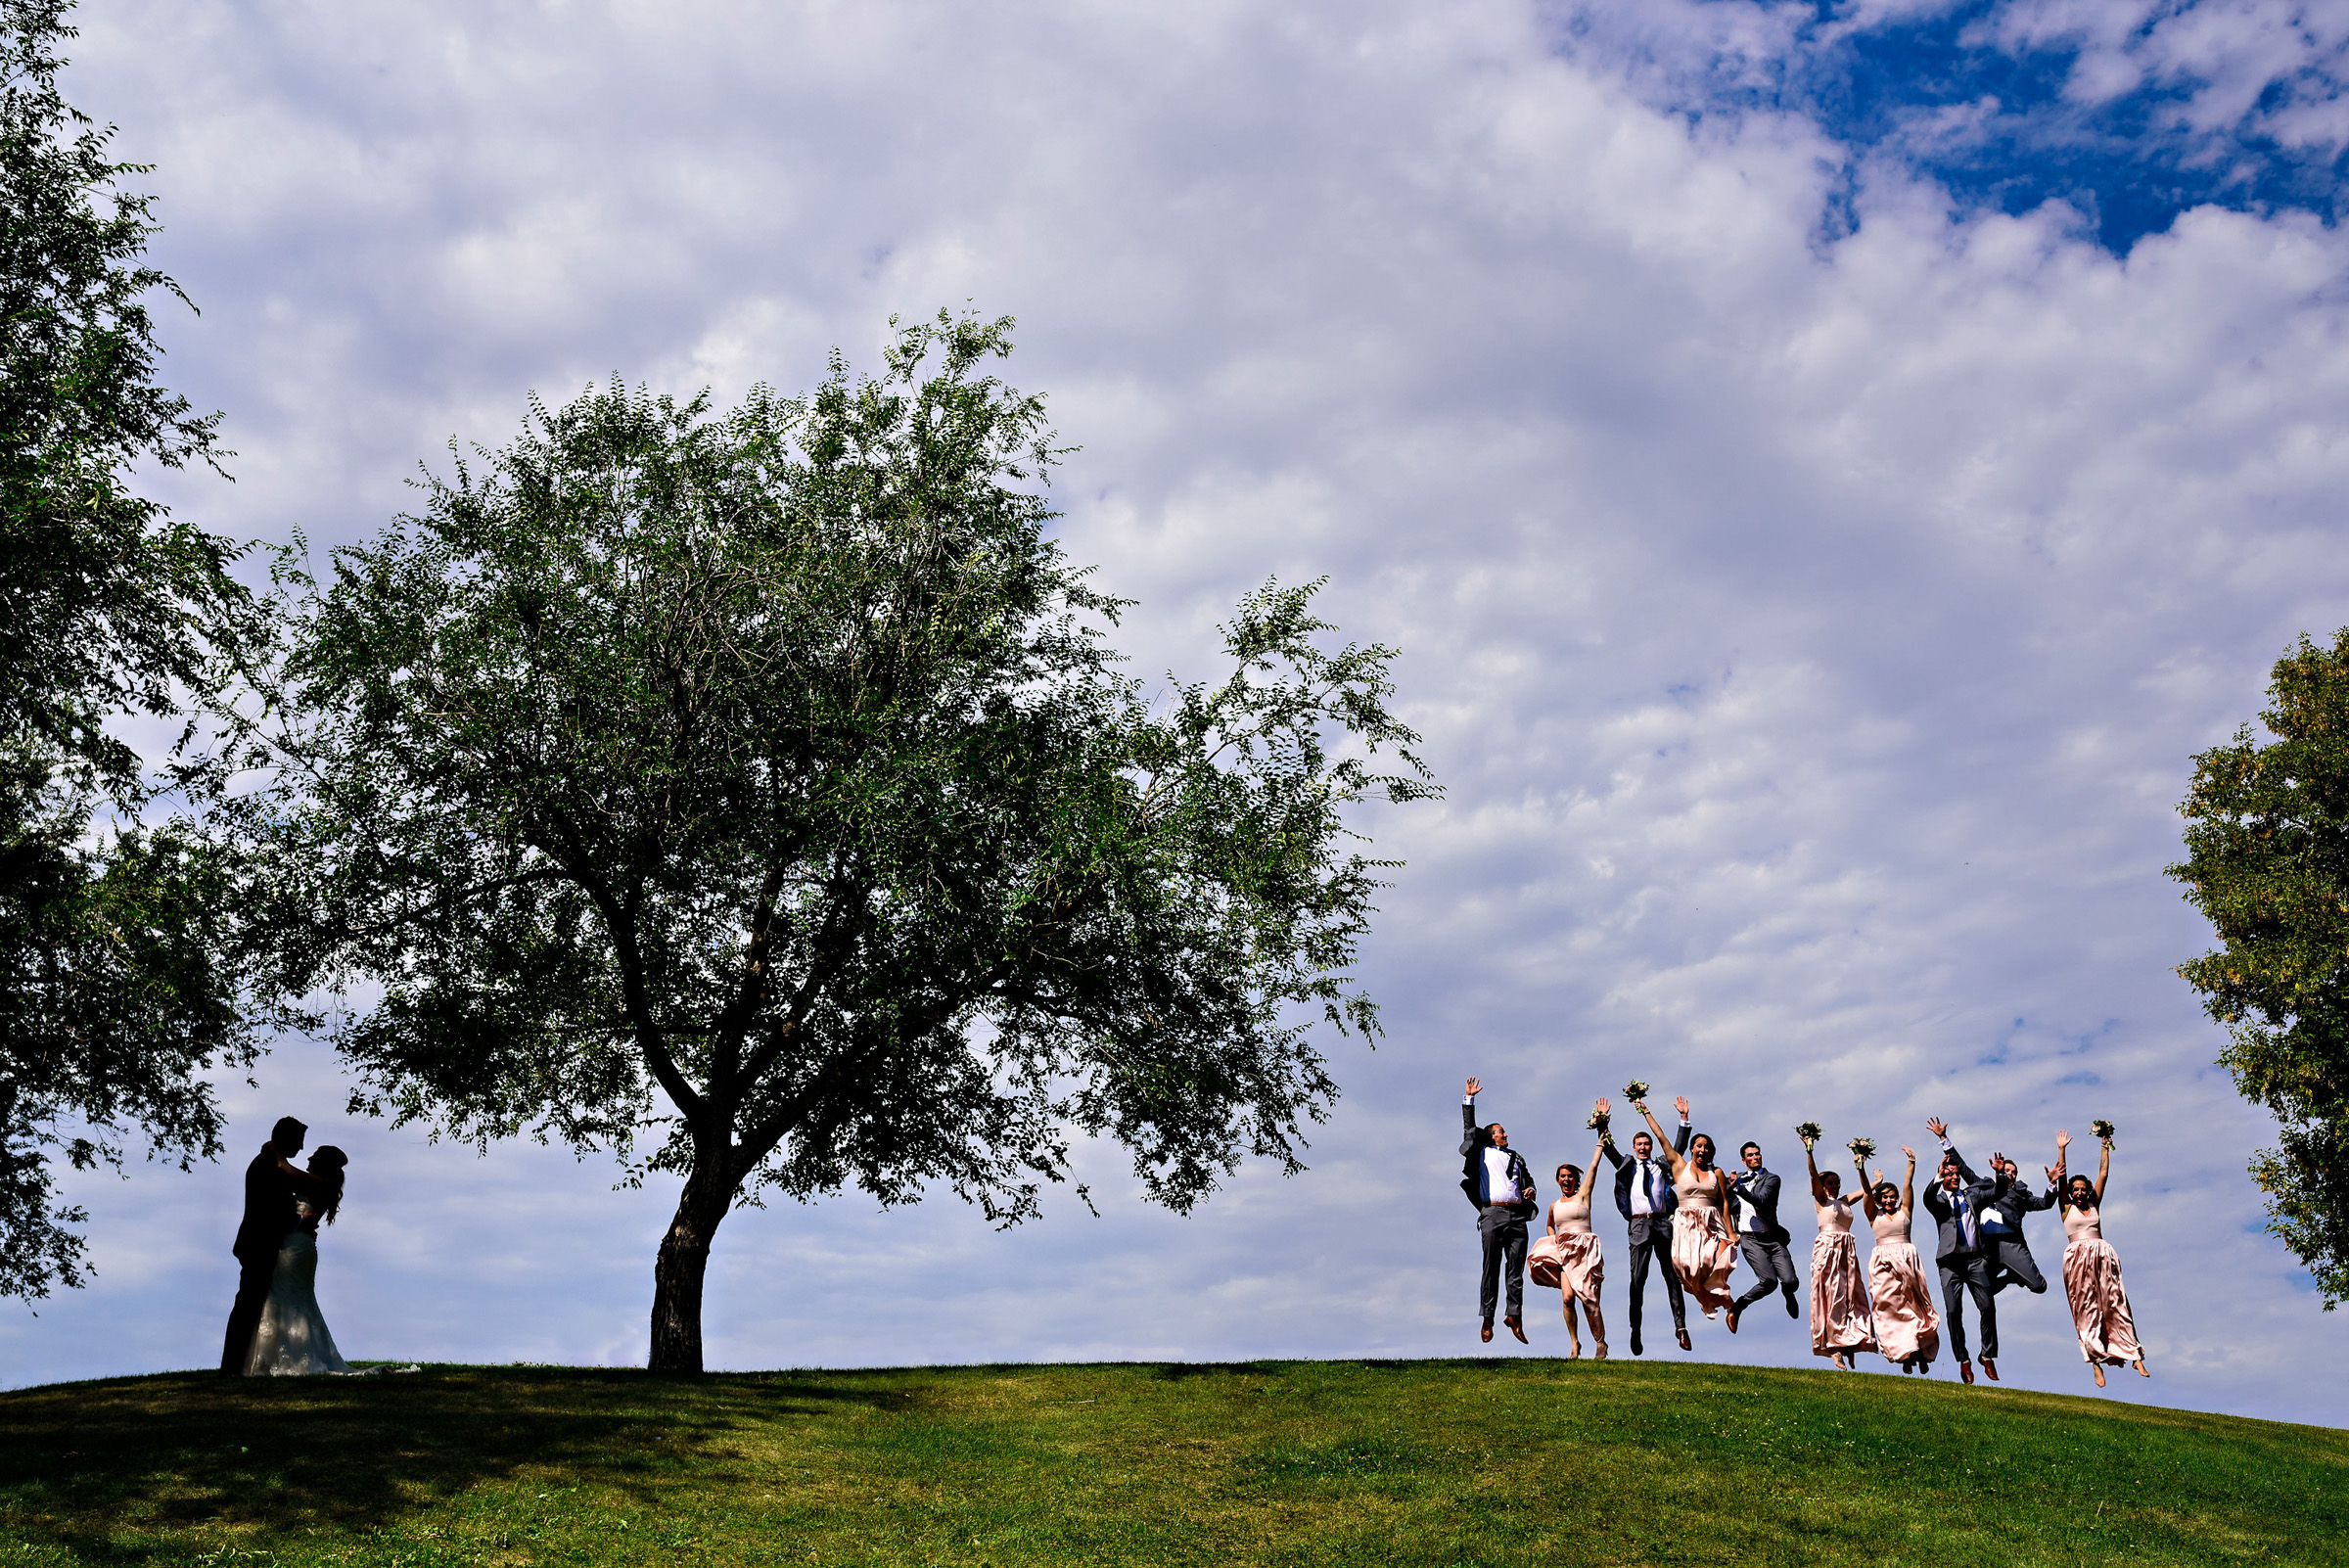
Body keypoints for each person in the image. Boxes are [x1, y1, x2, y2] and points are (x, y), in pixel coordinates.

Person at [221, 1117, 328, 1376]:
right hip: (259, 1245)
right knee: (248, 1306)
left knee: (250, 1305)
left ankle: (236, 1366)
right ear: (286, 1139)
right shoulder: (268, 1166)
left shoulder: (272, 1164)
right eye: (299, 1141)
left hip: (262, 1244)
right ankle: (233, 1367)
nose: (301, 1147)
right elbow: (273, 1210)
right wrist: (300, 1222)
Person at [244, 1147, 355, 1376]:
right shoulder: (317, 1183)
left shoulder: (318, 1182)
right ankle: (282, 1354)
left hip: (296, 1248)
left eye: (315, 1155)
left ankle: (292, 1355)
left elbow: (285, 1169)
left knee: (289, 1298)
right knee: (291, 1299)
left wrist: (275, 1152)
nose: (309, 1157)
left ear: (323, 1162)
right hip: (297, 1246)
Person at [2052, 1129, 2149, 1388]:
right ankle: (2095, 1363)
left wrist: (2105, 1145)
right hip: (2077, 1261)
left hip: (2102, 1257)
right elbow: (2062, 1179)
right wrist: (2061, 1150)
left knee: (2116, 1304)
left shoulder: (2094, 1205)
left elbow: (2103, 1173)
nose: (2079, 1193)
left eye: (2083, 1189)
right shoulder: (2066, 1207)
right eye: (2076, 1190)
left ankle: (2134, 1355)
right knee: (2086, 1310)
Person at [1596, 1093, 1692, 1355]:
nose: (1643, 1147)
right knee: (1637, 1279)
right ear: (1634, 1146)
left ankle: (1681, 1328)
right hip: (1639, 1225)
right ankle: (1635, 1330)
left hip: (1662, 1223)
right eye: (1639, 1144)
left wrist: (1683, 1118)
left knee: (1672, 1276)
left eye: (1646, 1144)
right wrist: (1602, 1121)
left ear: (1650, 1147)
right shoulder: (1628, 1166)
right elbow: (1609, 1148)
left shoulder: (1661, 1165)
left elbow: (1677, 1149)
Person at [1635, 1095, 1739, 1325]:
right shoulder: (1679, 1165)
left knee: (1719, 1260)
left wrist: (1731, 1232)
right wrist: (1646, 1112)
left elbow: (1723, 1203)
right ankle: (1727, 1304)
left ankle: (1727, 1302)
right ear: (1692, 1149)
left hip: (1712, 1223)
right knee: (1688, 1269)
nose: (1703, 1150)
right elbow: (1661, 1137)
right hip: (1686, 1224)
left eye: (1707, 1147)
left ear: (1711, 1152)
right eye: (1699, 1146)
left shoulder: (1717, 1173)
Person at [1918, 1117, 2004, 1385]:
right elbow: (1926, 1197)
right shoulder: (1938, 1201)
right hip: (1949, 1264)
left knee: (1987, 1307)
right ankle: (1963, 1359)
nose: (1955, 1177)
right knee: (1954, 1312)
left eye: (1957, 1175)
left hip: (1975, 1261)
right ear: (1943, 1178)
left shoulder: (1971, 1196)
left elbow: (1997, 1192)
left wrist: (2000, 1174)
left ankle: (1987, 1355)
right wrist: (1937, 1174)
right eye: (1950, 1175)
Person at [1460, 1077, 1538, 1344]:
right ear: (1492, 1135)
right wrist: (1469, 1100)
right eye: (1501, 1132)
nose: (1506, 1135)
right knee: (1491, 1267)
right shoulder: (1482, 1153)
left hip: (1517, 1216)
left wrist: (1531, 1190)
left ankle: (1514, 1316)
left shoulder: (1516, 1157)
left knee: (1516, 1270)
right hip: (1492, 1214)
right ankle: (1488, 1318)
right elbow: (1469, 1130)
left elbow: (1528, 1180)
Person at [1856, 1143, 1940, 1373]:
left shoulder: (1905, 1212)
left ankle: (1920, 1350)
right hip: (1883, 1265)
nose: (1889, 1200)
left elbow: (1907, 1185)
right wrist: (1861, 1168)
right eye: (1885, 1197)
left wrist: (1911, 1162)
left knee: (1915, 1306)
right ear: (1880, 1199)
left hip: (1907, 1260)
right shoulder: (1874, 1215)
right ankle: (1904, 1354)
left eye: (1892, 1197)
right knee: (1889, 1308)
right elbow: (1866, 1192)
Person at [1527, 1129, 1609, 1359]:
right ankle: (1574, 1343)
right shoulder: (1554, 1205)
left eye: (1570, 1176)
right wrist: (1554, 1239)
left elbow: (1593, 1167)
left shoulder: (1583, 1196)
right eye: (1562, 1176)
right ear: (1558, 1180)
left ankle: (1600, 1342)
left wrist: (1601, 1144)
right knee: (1567, 1298)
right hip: (1565, 1254)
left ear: (1575, 1179)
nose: (1566, 1179)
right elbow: (1550, 1225)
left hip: (1585, 1252)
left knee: (1589, 1299)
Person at [1802, 1134, 1875, 1369]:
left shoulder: (1844, 1201)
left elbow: (1866, 1191)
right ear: (1823, 1186)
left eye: (1836, 1183)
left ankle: (1849, 1341)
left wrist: (1867, 1173)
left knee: (1851, 1296)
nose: (1834, 1186)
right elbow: (1812, 1174)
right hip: (1828, 1250)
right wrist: (1809, 1150)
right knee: (1831, 1296)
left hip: (1846, 1252)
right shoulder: (1821, 1200)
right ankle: (1834, 1347)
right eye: (1830, 1183)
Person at [1726, 1138, 1799, 1333]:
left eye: (1757, 1154)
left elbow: (1762, 1200)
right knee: (1769, 1282)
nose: (1755, 1157)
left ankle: (1788, 1293)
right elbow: (1720, 1198)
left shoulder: (1772, 1179)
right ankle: (1738, 1307)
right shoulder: (1734, 1181)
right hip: (1750, 1239)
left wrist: (1738, 1188)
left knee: (1790, 1281)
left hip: (1772, 1237)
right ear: (1744, 1161)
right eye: (1750, 1155)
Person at [1981, 1149, 2056, 1299]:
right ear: (1998, 1172)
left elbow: (2044, 1203)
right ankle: (2011, 1277)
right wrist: (1945, 1142)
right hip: (1991, 1248)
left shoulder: (2021, 1195)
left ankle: (2016, 1273)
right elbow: (1965, 1171)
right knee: (1981, 1288)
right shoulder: (1986, 1189)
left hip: (2014, 1245)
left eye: (2014, 1172)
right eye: (2007, 1170)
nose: (2011, 1174)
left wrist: (2052, 1183)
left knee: (2039, 1286)